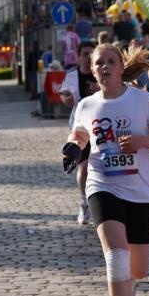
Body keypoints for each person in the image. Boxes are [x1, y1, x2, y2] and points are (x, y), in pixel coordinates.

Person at [61, 43, 149, 296]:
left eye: (111, 61)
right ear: (92, 70)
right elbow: (80, 135)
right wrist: (72, 147)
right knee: (116, 257)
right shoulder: (86, 105)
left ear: (121, 67)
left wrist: (142, 141)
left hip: (140, 192)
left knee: (138, 269)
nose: (105, 67)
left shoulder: (142, 100)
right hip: (102, 185)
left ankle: (127, 289)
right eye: (99, 63)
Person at [58, 41, 99, 224]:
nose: (88, 58)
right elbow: (64, 93)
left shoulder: (101, 73)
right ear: (79, 56)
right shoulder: (72, 75)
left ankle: (99, 202)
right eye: (85, 54)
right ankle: (84, 202)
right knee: (84, 167)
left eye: (92, 54)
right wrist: (66, 99)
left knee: (100, 167)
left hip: (101, 126)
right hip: (80, 127)